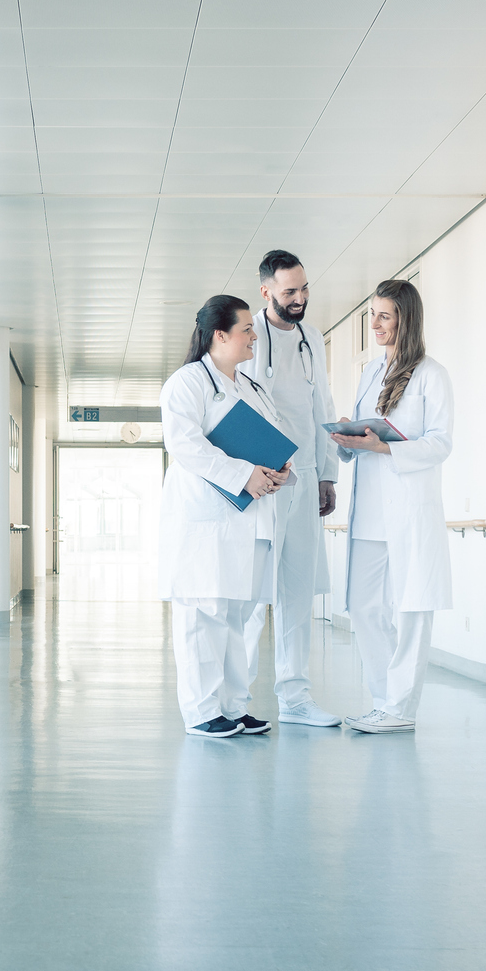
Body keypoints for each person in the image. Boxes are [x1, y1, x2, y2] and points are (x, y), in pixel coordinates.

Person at [160, 295, 294, 738]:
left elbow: (273, 439)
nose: (255, 336)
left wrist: (279, 471)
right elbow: (186, 447)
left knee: (238, 615)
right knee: (204, 614)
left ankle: (234, 706)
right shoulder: (187, 383)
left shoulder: (251, 387)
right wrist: (244, 475)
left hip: (249, 517)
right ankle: (201, 712)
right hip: (208, 520)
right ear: (220, 335)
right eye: (247, 330)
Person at [330, 280, 454, 734]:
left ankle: (401, 708)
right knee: (363, 606)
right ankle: (384, 701)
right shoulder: (369, 372)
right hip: (370, 512)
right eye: (373, 315)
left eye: (386, 315)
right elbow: (365, 438)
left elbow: (441, 443)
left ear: (406, 319)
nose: (376, 325)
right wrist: (348, 438)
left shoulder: (431, 374)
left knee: (411, 608)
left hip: (407, 508)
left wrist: (386, 450)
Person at [241, 250, 342, 727]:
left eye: (304, 289)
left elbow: (321, 402)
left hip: (303, 475)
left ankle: (296, 698)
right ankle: (234, 700)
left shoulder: (312, 338)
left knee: (298, 590)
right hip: (264, 480)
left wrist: (327, 473)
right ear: (266, 292)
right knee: (251, 591)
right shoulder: (248, 336)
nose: (299, 299)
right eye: (289, 292)